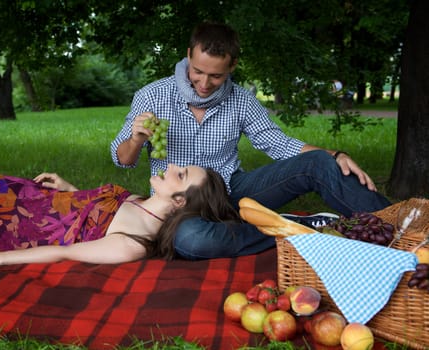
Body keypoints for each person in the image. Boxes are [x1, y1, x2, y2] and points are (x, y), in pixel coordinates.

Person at [110, 22, 391, 260]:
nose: (204, 83)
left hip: (233, 191)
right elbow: (123, 160)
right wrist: (135, 139)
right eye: (198, 71)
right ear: (188, 56)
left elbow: (277, 143)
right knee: (191, 242)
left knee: (319, 163)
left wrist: (335, 155)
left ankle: (400, 228)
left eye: (216, 75)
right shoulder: (152, 95)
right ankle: (290, 228)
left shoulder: (242, 100)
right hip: (182, 204)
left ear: (232, 65)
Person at [0, 164, 266, 265]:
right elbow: (94, 210)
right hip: (35, 201)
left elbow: (65, 251)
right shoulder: (141, 199)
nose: (172, 166)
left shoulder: (132, 244)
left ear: (178, 202)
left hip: (20, 228)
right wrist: (70, 190)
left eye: (181, 175)